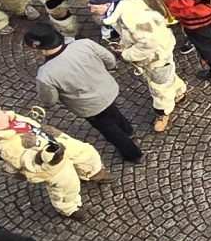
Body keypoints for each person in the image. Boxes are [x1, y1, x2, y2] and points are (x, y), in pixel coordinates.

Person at [26, 21, 148, 159]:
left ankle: (134, 155)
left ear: (39, 48)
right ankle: (128, 131)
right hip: (108, 89)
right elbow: (110, 60)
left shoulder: (45, 75)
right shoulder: (84, 44)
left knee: (109, 129)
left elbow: (50, 100)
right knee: (113, 111)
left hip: (88, 106)